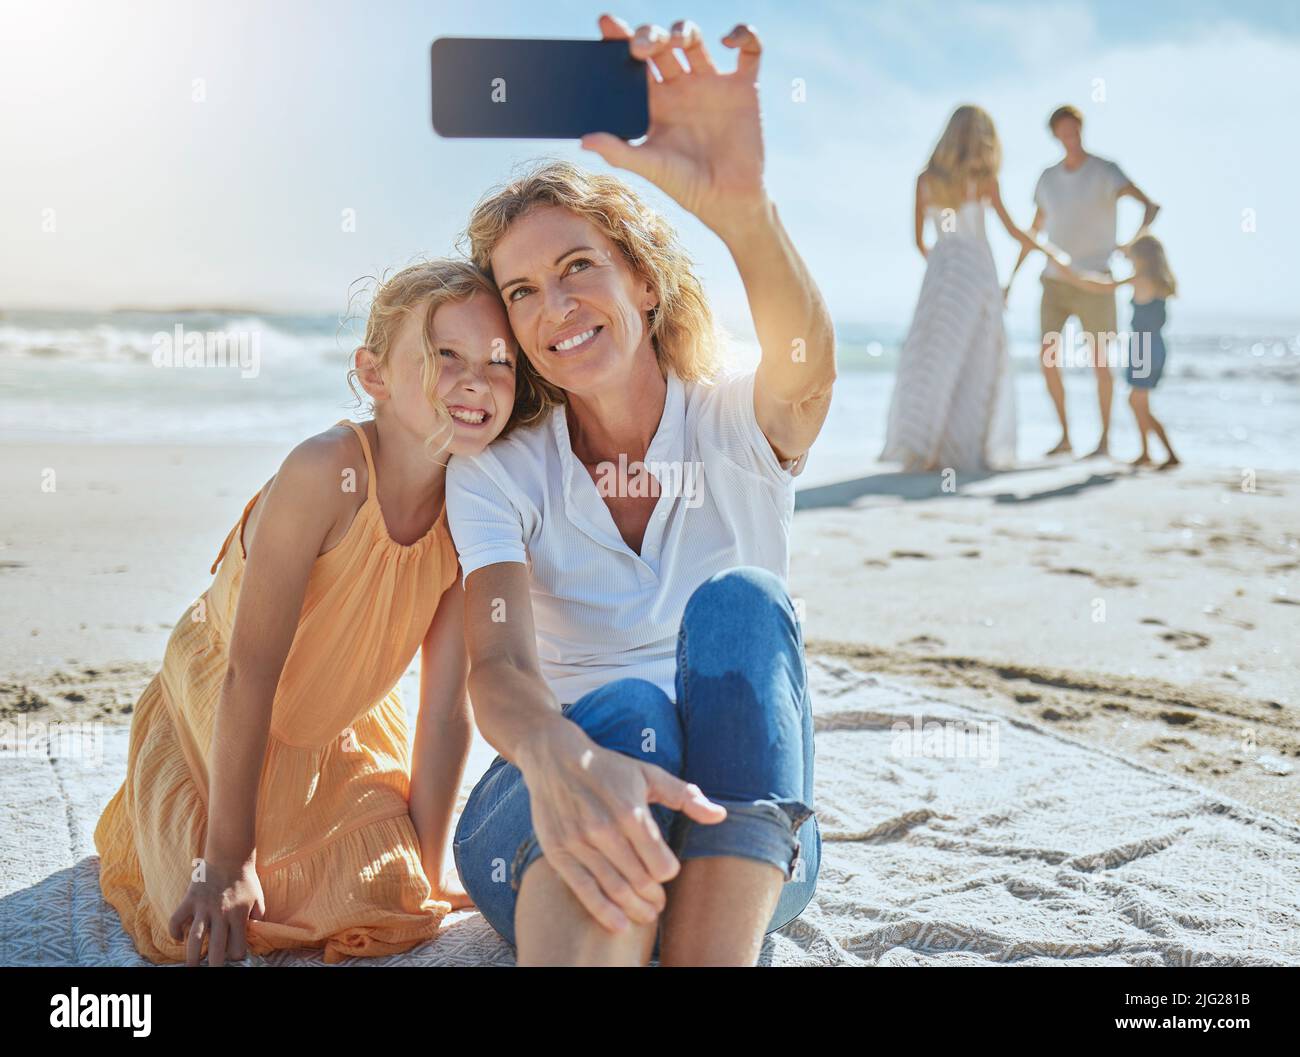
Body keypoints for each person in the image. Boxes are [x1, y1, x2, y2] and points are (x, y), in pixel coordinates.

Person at [444, 14, 836, 966]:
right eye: (523, 290)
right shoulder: (496, 469)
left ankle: (707, 945)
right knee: (630, 716)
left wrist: (743, 209)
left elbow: (806, 372)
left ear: (644, 282)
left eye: (579, 265)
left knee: (747, 603)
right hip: (549, 792)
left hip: (739, 824)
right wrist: (558, 752)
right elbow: (495, 667)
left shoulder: (731, 425)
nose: (557, 306)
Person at [93, 260, 528, 965]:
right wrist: (229, 858)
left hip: (335, 719)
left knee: (385, 888)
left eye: (499, 360)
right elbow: (248, 668)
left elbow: (447, 707)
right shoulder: (326, 472)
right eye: (446, 354)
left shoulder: (472, 506)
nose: (477, 378)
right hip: (226, 695)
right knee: (237, 896)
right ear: (374, 375)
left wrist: (426, 858)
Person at [880, 104, 1051, 473]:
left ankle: (923, 449)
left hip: (943, 269)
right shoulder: (983, 178)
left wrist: (943, 264)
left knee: (933, 356)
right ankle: (961, 451)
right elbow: (1011, 230)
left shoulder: (925, 179)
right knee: (979, 358)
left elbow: (918, 240)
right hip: (978, 269)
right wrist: (1047, 249)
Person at [1008, 104, 1160, 459]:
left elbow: (1150, 206)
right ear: (1055, 135)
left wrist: (1131, 244)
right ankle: (1065, 435)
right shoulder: (1047, 179)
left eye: (1073, 129)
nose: (1069, 136)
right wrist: (1012, 278)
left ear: (1081, 128)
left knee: (1099, 362)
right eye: (1062, 131)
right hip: (1054, 281)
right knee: (1048, 358)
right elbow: (1034, 232)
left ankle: (1104, 441)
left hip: (1098, 281)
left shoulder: (1106, 171)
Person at [1061, 235, 1179, 469]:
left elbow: (1104, 286)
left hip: (1143, 347)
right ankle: (1146, 452)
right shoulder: (1161, 281)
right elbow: (1130, 251)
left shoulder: (1141, 279)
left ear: (1142, 257)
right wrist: (1119, 247)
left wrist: (1075, 276)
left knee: (1137, 401)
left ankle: (1170, 453)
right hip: (1154, 345)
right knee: (1138, 401)